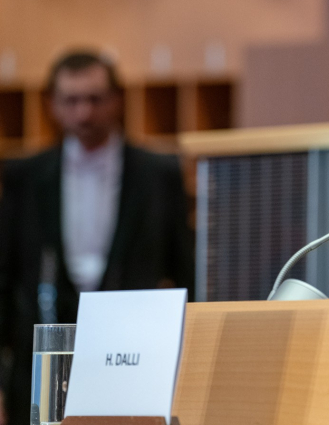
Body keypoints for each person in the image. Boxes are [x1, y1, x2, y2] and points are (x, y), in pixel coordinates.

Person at [0, 51, 194, 424]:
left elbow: (185, 270)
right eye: (71, 101)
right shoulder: (25, 175)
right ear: (52, 105)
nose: (84, 113)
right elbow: (4, 274)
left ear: (117, 100)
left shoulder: (159, 174)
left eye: (94, 99)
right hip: (42, 354)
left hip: (132, 354)